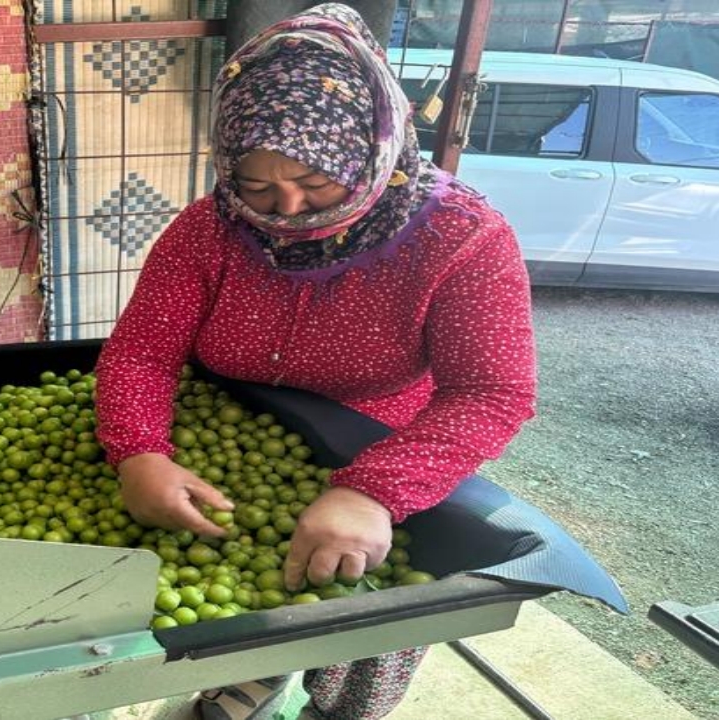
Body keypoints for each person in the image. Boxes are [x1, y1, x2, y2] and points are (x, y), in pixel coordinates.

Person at [93, 4, 538, 719]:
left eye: (318, 180)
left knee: (364, 603)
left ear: (370, 145)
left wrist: (373, 492)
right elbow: (143, 351)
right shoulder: (209, 228)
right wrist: (139, 451)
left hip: (381, 450)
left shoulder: (462, 239)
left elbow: (492, 392)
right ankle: (246, 676)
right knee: (232, 604)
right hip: (218, 435)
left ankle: (334, 707)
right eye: (258, 187)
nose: (290, 208)